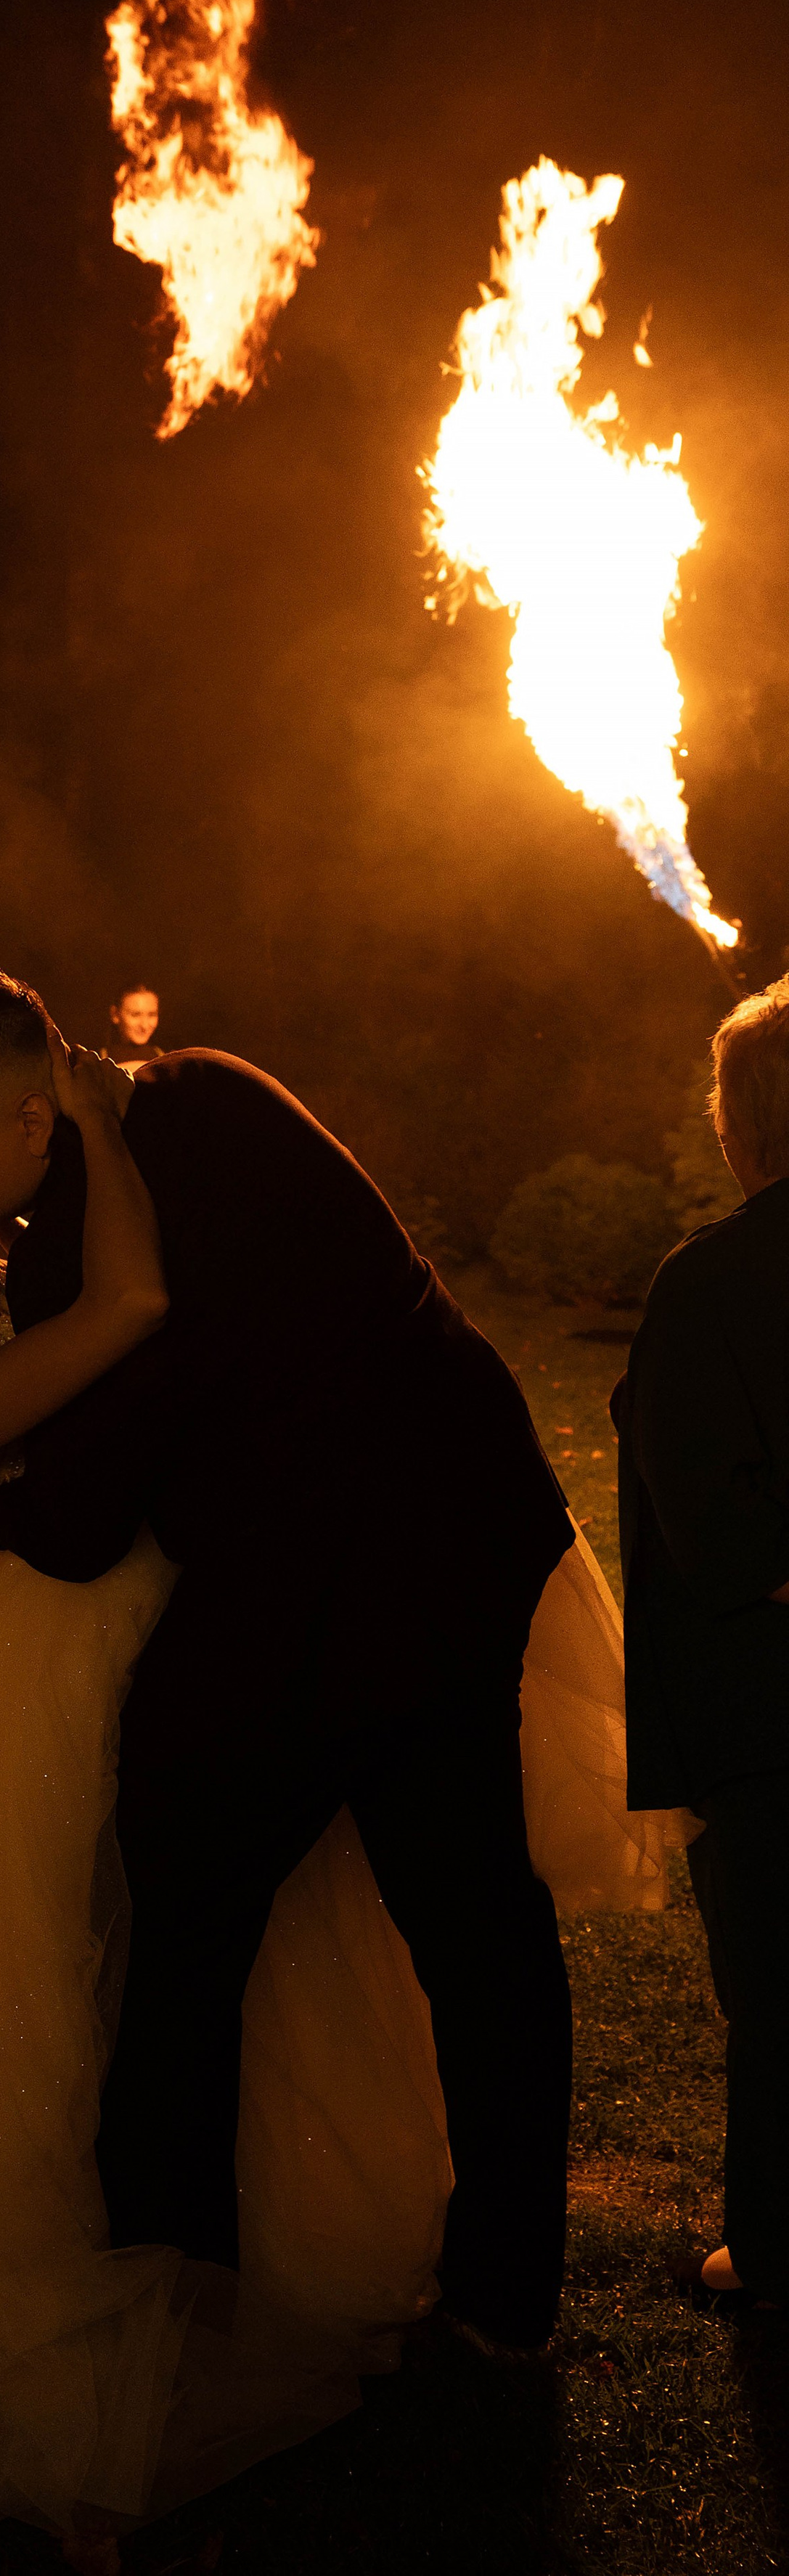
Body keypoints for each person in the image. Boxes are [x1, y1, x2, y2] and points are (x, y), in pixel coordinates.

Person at [0, 1068, 672, 2540]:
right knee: (100, 1938)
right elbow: (116, 1348)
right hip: (57, 1638)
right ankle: (151, 2257)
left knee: (184, 1930)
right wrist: (91, 1133)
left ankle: (235, 2234)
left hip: (157, 1616)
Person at [0, 969, 577, 2350]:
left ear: (35, 1116)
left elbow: (80, 1529)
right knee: (479, 1920)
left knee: (176, 1920)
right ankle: (507, 2291)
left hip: (316, 1596)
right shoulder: (214, 1083)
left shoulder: (85, 1244)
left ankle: (170, 2292)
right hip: (465, 1525)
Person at [616, 978, 789, 2313]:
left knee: (780, 1987)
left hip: (766, 1712)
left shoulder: (711, 1283)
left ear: (742, 1125)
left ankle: (778, 2251)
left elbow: (714, 1535)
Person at [109, 981, 165, 1065]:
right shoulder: (97, 1062)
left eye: (152, 1015)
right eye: (135, 1015)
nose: (144, 1026)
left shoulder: (166, 1060)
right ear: (115, 1014)